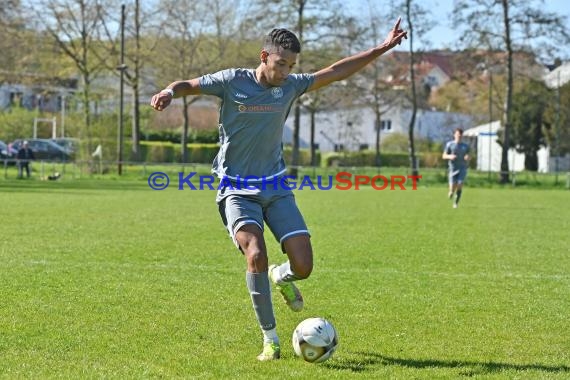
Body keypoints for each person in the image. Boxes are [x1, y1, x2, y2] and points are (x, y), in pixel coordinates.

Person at [151, 18, 407, 361]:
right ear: (264, 57)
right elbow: (187, 84)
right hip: (236, 189)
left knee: (303, 266)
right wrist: (169, 91)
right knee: (255, 254)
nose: (286, 71)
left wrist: (381, 48)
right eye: (281, 64)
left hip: (276, 186)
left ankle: (282, 277)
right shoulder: (232, 81)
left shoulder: (290, 86)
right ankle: (270, 340)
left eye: (292, 66)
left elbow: (335, 71)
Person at [442, 128, 470, 208]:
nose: (459, 136)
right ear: (454, 135)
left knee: (460, 183)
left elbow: (469, 155)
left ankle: (456, 203)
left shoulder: (465, 146)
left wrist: (467, 157)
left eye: (460, 135)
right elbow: (443, 156)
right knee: (452, 187)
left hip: (462, 168)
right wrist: (449, 156)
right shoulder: (449, 144)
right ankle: (451, 192)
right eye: (458, 134)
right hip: (452, 168)